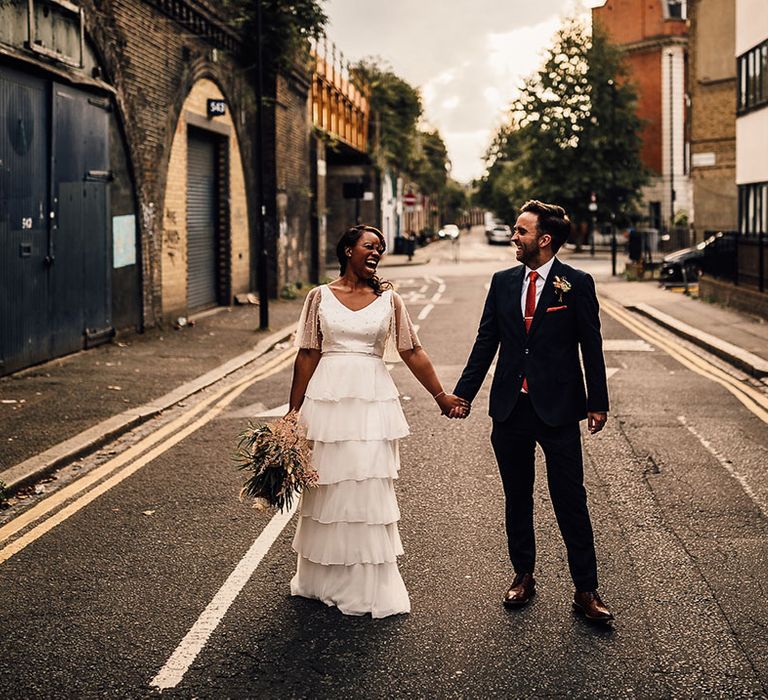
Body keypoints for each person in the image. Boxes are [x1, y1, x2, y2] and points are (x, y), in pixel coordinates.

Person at [287, 224, 468, 618]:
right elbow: (307, 354)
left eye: (380, 249)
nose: (376, 253)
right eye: (369, 246)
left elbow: (412, 350)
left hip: (372, 402)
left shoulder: (390, 300)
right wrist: (293, 412)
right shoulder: (319, 297)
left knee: (366, 486)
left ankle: (364, 584)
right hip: (327, 400)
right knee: (328, 487)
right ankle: (321, 580)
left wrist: (441, 396)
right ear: (347, 249)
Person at [452, 200, 613, 623]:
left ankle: (585, 589)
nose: (514, 236)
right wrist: (463, 394)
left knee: (570, 500)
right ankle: (523, 574)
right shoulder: (503, 282)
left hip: (558, 409)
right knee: (517, 496)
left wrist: (598, 401)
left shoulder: (576, 283)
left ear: (544, 240)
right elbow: (486, 341)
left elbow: (590, 345)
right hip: (510, 408)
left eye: (521, 231)